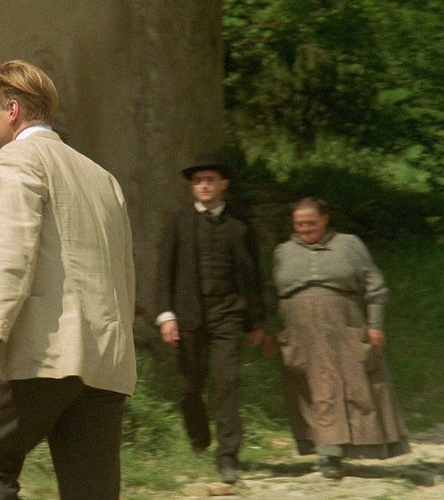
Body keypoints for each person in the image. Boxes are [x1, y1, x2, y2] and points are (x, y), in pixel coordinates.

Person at [0, 60, 136, 500]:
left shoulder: (20, 158)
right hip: (106, 362)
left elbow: (10, 252)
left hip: (46, 354)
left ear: (13, 110)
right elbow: (124, 273)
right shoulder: (102, 178)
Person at [272, 197, 410, 479]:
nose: (305, 229)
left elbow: (375, 288)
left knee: (352, 386)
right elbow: (269, 292)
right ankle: (328, 450)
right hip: (299, 331)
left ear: (325, 219)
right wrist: (266, 328)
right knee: (314, 388)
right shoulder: (283, 251)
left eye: (311, 223)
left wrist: (375, 325)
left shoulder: (349, 244)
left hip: (344, 326)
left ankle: (342, 450)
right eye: (299, 224)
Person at [154, 155, 270, 484]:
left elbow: (252, 274)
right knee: (189, 388)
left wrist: (257, 321)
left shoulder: (239, 224)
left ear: (223, 183)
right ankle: (199, 441)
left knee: (227, 383)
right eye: (197, 181)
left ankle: (228, 455)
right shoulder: (178, 222)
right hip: (188, 314)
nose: (203, 186)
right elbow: (164, 272)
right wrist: (166, 315)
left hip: (227, 315)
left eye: (209, 179)